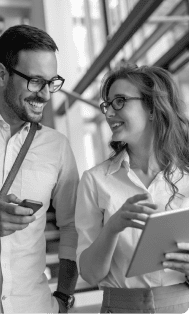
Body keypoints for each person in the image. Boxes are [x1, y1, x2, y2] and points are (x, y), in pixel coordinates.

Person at [0, 24, 79, 313]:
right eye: (36, 81)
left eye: (52, 82)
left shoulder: (57, 147)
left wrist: (63, 297)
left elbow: (72, 228)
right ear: (1, 75)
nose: (47, 94)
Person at [75, 63, 189, 313]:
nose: (108, 113)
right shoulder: (96, 180)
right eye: (107, 104)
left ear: (151, 108)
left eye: (120, 101)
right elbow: (90, 275)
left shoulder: (187, 177)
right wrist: (113, 228)